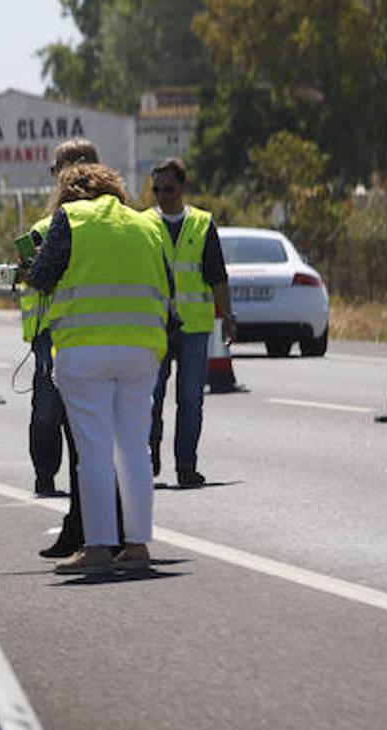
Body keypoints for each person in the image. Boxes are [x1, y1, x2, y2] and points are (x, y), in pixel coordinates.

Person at [24, 163, 174, 574]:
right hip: (142, 349)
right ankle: (138, 544)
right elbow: (169, 287)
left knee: (93, 449)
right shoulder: (147, 225)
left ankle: (98, 547)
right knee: (134, 447)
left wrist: (31, 267)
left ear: (70, 192)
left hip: (85, 348)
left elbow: (42, 277)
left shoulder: (71, 218)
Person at [145, 157, 233, 487]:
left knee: (191, 398)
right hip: (155, 326)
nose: (162, 195)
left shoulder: (202, 224)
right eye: (156, 189)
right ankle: (149, 454)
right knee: (150, 396)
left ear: (183, 186)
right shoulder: (143, 224)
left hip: (194, 328)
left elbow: (217, 277)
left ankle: (186, 465)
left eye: (168, 188)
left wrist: (228, 315)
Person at [23, 138, 99, 499]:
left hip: (79, 332)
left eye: (59, 170)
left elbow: (39, 277)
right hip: (53, 332)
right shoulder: (42, 228)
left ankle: (83, 491)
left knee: (62, 414)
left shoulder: (75, 223)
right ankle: (47, 478)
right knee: (50, 413)